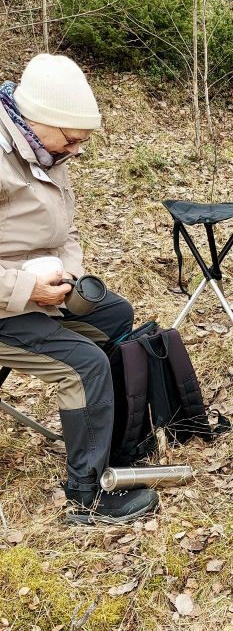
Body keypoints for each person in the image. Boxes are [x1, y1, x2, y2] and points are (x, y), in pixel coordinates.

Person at [0, 53, 158, 524]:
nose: (76, 149)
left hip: (39, 291)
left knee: (115, 314)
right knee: (84, 365)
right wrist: (26, 288)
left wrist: (68, 277)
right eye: (71, 138)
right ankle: (86, 495)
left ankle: (112, 437)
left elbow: (65, 232)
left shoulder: (48, 153)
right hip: (7, 305)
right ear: (36, 119)